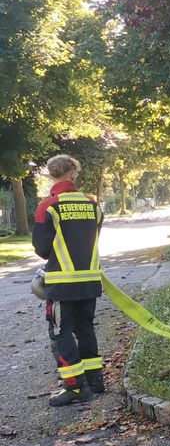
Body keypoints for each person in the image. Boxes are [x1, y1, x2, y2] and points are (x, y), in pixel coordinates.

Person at [32, 154, 104, 407]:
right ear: (73, 173)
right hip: (90, 280)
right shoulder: (93, 204)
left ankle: (74, 388)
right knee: (86, 328)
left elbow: (41, 248)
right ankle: (95, 381)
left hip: (62, 284)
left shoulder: (48, 206)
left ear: (52, 175)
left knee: (61, 333)